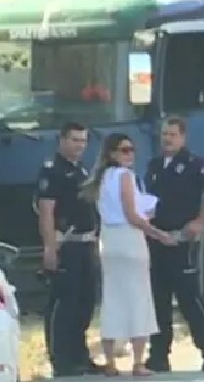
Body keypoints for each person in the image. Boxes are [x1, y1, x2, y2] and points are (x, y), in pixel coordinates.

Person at [82, 134, 173, 376]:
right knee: (138, 298)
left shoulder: (100, 179)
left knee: (112, 299)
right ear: (112, 153)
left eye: (131, 150)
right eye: (124, 150)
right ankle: (138, 361)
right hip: (129, 239)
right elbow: (132, 215)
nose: (130, 154)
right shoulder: (125, 176)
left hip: (108, 241)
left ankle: (110, 361)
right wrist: (156, 232)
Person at [142, 117, 204, 373]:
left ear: (183, 137)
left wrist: (200, 221)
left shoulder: (194, 165)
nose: (167, 139)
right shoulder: (154, 166)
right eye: (164, 134)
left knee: (189, 298)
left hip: (181, 239)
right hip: (156, 238)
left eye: (172, 134)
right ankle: (158, 355)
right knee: (158, 300)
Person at [35, 122, 100, 377]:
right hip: (66, 245)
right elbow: (46, 212)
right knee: (64, 303)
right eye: (75, 140)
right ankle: (61, 360)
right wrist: (50, 248)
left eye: (83, 141)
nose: (79, 146)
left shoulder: (81, 170)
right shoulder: (53, 170)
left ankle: (80, 357)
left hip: (85, 244)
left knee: (85, 302)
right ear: (62, 140)